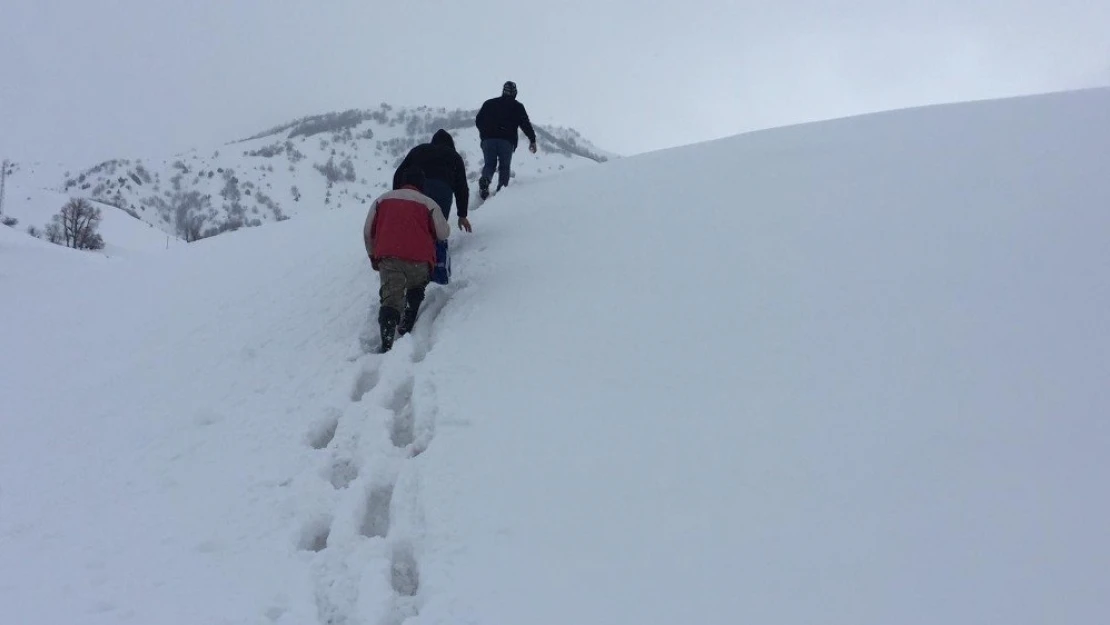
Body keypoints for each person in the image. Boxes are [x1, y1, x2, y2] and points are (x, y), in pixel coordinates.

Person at [363, 167, 450, 353]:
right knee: (415, 287)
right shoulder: (428, 203)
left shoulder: (382, 200)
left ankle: (387, 341)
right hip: (420, 259)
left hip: (390, 257)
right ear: (421, 185)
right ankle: (409, 318)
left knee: (390, 298)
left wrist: (373, 256)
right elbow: (443, 233)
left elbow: (368, 231)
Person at [393, 129, 472, 233]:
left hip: (417, 189)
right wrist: (462, 215)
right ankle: (437, 246)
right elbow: (462, 188)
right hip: (443, 191)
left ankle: (411, 244)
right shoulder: (454, 156)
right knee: (437, 228)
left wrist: (398, 196)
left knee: (414, 225)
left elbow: (399, 173)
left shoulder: (418, 150)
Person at [474, 80, 538, 199]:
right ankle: (501, 193)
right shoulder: (517, 107)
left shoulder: (489, 104)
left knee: (489, 164)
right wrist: (532, 140)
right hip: (506, 141)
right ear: (515, 93)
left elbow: (478, 120)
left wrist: (485, 134)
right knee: (504, 167)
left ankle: (486, 180)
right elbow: (525, 124)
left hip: (488, 140)